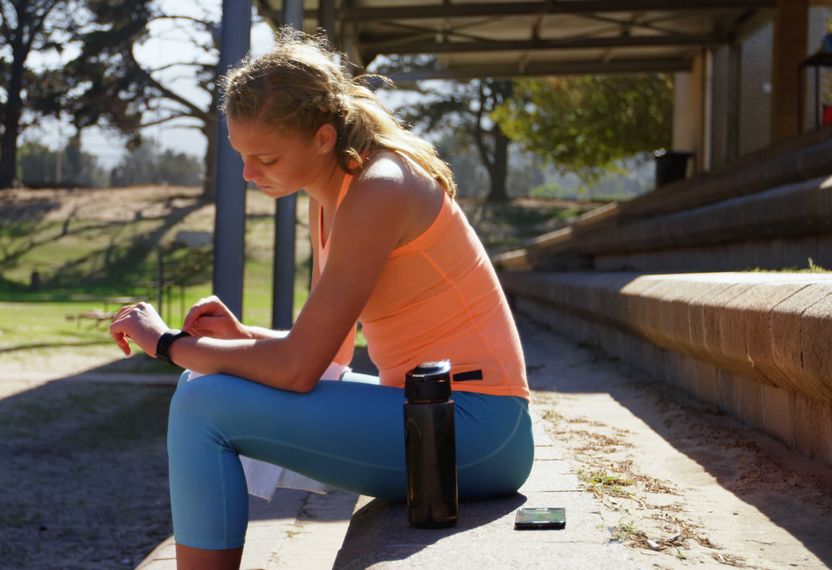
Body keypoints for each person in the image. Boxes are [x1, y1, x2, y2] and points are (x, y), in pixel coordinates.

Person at [110, 30, 533, 570]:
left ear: (324, 137)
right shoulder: (333, 192)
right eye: (241, 155)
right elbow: (328, 355)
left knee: (200, 403)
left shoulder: (380, 187)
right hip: (437, 419)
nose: (248, 173)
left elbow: (300, 370)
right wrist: (242, 338)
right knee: (203, 383)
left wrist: (167, 343)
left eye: (264, 157)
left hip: (476, 432)